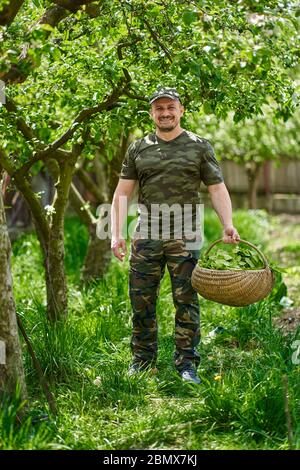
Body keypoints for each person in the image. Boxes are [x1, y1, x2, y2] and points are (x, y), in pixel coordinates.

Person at [111, 87, 240, 384]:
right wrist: (116, 232)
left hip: (186, 235)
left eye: (171, 107)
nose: (165, 113)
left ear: (181, 111)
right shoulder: (138, 147)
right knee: (141, 300)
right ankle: (142, 361)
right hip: (146, 235)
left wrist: (228, 223)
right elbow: (123, 192)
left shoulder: (199, 146)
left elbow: (217, 188)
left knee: (187, 300)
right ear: (151, 113)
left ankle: (187, 364)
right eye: (159, 108)